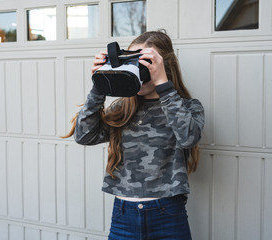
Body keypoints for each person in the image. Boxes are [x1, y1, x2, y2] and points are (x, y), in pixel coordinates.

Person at [63, 30, 205, 240]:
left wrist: (164, 86)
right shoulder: (122, 108)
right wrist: (100, 84)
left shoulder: (186, 107)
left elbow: (189, 137)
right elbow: (84, 136)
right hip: (123, 216)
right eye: (132, 61)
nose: (137, 70)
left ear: (164, 67)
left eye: (145, 63)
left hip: (168, 215)